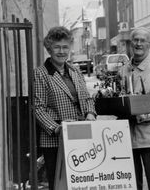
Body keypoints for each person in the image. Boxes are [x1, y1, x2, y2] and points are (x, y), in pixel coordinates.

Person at [34, 26, 96, 190]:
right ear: (49, 48)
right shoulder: (40, 73)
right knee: (59, 184)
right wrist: (56, 128)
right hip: (55, 140)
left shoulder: (75, 70)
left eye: (65, 47)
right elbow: (38, 108)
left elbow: (87, 97)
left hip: (82, 135)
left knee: (82, 182)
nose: (61, 51)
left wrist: (90, 113)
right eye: (57, 47)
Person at [119, 27, 150, 190]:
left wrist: (139, 115)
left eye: (142, 40)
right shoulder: (123, 70)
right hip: (127, 136)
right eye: (135, 40)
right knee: (131, 184)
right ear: (130, 43)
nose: (138, 44)